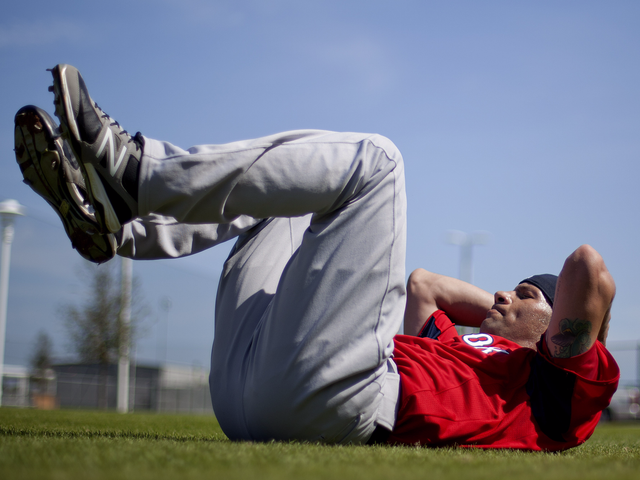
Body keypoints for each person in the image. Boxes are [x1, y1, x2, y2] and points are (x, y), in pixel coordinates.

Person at [14, 64, 619, 450]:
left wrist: (547, 337)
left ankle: (140, 171)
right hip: (249, 394)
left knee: (379, 160)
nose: (506, 295)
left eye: (527, 295)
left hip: (343, 405)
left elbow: (586, 269)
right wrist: (498, 312)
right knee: (290, 191)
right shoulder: (456, 345)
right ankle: (121, 227)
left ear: (561, 328)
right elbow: (424, 284)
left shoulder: (556, 394)